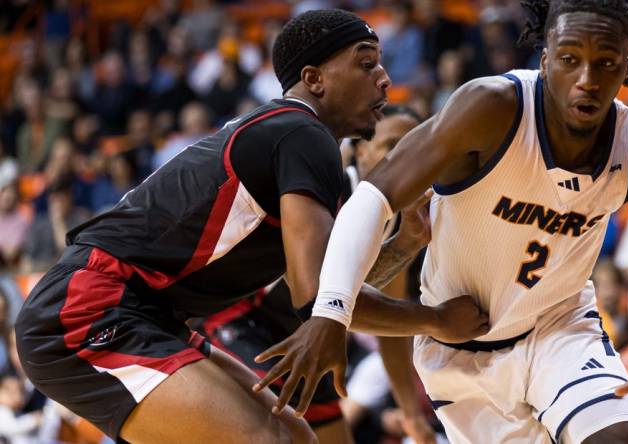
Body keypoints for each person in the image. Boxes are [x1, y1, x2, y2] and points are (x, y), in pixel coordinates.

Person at [258, 2, 628, 443]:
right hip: (461, 351)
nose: (587, 79)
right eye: (569, 59)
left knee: (619, 437)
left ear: (627, 69)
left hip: (558, 328)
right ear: (545, 61)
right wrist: (332, 311)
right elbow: (373, 198)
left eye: (606, 63)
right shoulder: (493, 106)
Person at [14, 10, 488, 444]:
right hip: (90, 309)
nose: (384, 79)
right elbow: (319, 300)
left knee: (300, 439)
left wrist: (405, 243)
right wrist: (438, 320)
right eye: (366, 64)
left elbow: (333, 296)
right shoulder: (303, 134)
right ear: (314, 79)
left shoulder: (297, 141)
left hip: (147, 313)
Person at [197, 105, 436, 444]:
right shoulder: (331, 191)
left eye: (411, 148)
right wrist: (437, 318)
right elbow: (329, 297)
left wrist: (411, 414)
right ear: (360, 149)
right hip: (245, 318)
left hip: (308, 336)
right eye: (390, 145)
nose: (402, 158)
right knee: (277, 434)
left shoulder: (398, 214)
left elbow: (389, 323)